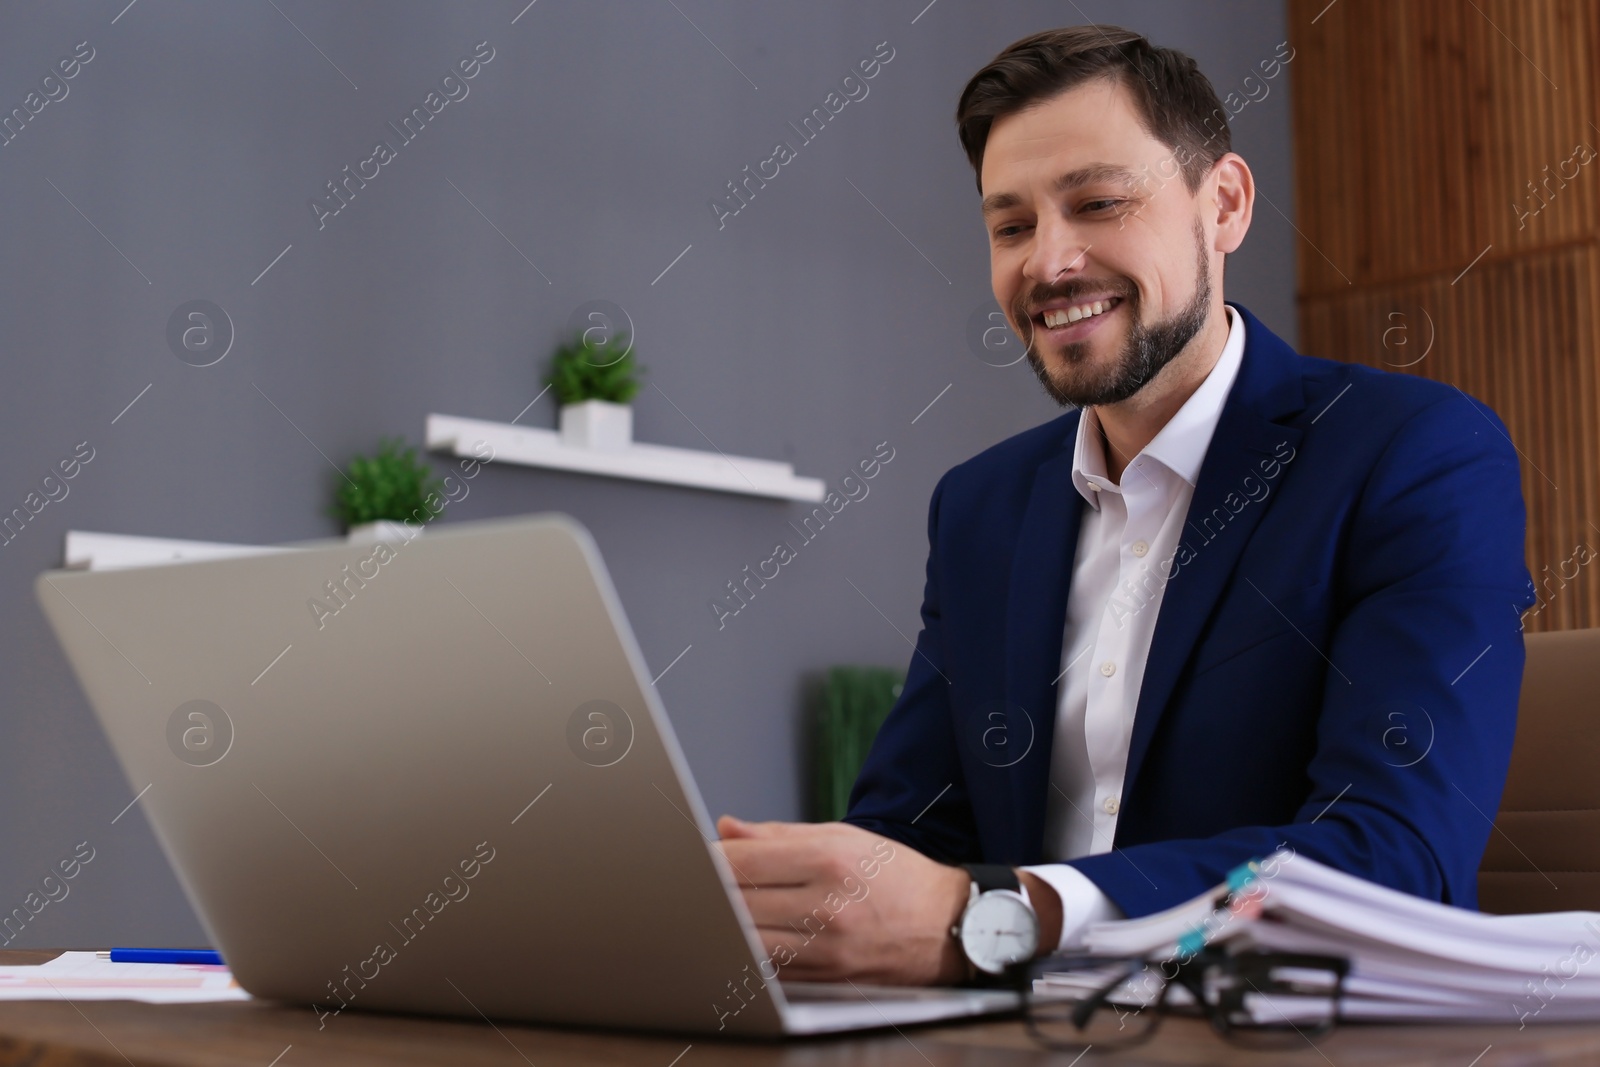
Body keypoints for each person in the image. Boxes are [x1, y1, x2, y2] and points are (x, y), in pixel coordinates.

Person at [716, 24, 1534, 986]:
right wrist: (787, 895)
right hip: (1006, 1036)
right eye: (1011, 226)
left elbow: (1399, 859)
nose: (1050, 262)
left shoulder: (1412, 453)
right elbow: (910, 829)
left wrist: (1015, 916)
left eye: (1098, 203)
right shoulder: (982, 507)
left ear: (1223, 203)